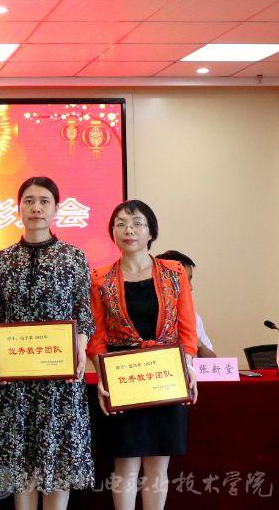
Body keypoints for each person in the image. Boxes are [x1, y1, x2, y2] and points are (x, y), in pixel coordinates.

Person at [0, 177, 94, 510]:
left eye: (44, 201)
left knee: (57, 455)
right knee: (20, 458)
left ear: (56, 208)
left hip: (59, 378)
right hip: (15, 379)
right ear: (18, 208)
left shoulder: (73, 257)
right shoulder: (1, 260)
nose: (36, 208)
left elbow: (83, 313)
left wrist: (80, 348)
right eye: (29, 201)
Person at [88, 201, 198, 510]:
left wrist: (188, 367)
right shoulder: (100, 278)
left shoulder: (174, 272)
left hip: (165, 373)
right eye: (121, 224)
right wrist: (103, 377)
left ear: (151, 232)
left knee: (158, 465)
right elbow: (96, 337)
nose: (129, 230)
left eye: (137, 223)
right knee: (126, 463)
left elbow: (187, 327)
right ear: (113, 232)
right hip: (123, 379)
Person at [155, 250, 215, 357]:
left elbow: (214, 362)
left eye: (189, 280)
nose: (190, 288)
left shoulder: (194, 317)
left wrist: (197, 343)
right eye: (184, 281)